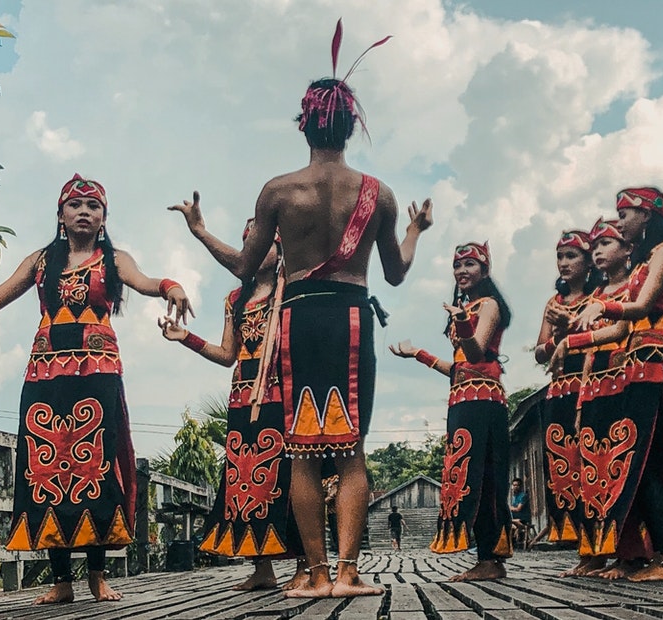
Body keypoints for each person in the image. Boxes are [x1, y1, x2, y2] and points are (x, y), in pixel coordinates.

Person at [0, 174, 194, 604]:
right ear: (60, 214)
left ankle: (97, 575)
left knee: (96, 467)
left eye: (93, 206)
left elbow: (146, 281)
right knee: (45, 469)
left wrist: (172, 286)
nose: (84, 211)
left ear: (103, 218)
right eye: (75, 204)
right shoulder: (41, 261)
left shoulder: (114, 260)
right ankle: (61, 581)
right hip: (45, 376)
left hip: (98, 374)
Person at [226, 20, 433, 598]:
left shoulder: (278, 191)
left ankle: (313, 575)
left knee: (299, 448)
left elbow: (247, 267)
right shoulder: (380, 194)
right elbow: (393, 272)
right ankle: (346, 573)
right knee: (349, 448)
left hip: (296, 318)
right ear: (349, 125)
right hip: (348, 316)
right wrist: (414, 231)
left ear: (305, 124)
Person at [158, 219, 308, 591]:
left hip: (282, 396)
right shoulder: (235, 300)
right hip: (243, 398)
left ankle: (306, 565)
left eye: (266, 244)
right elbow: (228, 354)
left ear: (280, 249)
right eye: (249, 244)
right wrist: (185, 338)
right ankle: (262, 568)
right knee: (245, 482)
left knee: (287, 480)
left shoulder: (293, 291)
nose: (256, 250)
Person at [574, 168, 663, 582]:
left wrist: (603, 307)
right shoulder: (646, 260)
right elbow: (625, 329)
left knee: (655, 460)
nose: (619, 222)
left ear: (647, 215)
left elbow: (640, 309)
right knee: (636, 461)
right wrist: (570, 344)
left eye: (624, 214)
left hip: (661, 361)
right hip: (637, 366)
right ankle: (653, 554)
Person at [390, 241, 512, 582]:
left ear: (485, 270)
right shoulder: (466, 308)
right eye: (457, 265)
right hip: (462, 398)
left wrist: (463, 324)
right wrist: (418, 354)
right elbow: (459, 367)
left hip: (484, 401)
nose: (462, 271)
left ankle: (491, 558)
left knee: (484, 477)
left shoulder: (487, 306)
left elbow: (474, 354)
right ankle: (487, 557)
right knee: (465, 475)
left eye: (470, 264)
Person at [551, 218, 647, 579]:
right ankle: (596, 553)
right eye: (596, 247)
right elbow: (591, 353)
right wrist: (580, 401)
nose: (599, 252)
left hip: (626, 382)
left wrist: (570, 340)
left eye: (607, 244)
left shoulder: (637, 285)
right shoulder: (597, 297)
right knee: (593, 474)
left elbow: (623, 330)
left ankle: (630, 556)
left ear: (628, 250)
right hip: (596, 387)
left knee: (624, 469)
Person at [534, 230, 596, 555]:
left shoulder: (599, 297)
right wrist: (556, 335)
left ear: (588, 261)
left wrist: (570, 326)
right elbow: (539, 353)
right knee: (563, 466)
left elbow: (604, 338)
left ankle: (599, 544)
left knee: (592, 463)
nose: (563, 263)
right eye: (560, 256)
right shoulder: (553, 302)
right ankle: (579, 545)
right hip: (559, 390)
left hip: (591, 384)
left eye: (571, 256)